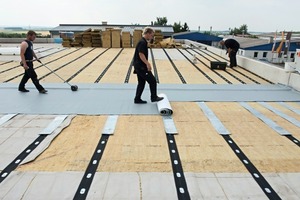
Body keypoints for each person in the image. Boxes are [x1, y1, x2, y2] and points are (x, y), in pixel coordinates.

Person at [133, 27, 163, 104]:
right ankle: (154, 97)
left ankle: (137, 99)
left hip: (138, 65)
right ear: (148, 33)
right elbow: (141, 54)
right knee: (152, 81)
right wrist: (148, 64)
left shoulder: (142, 41)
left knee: (141, 83)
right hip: (141, 66)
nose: (152, 37)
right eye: (152, 35)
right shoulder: (143, 42)